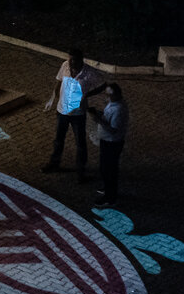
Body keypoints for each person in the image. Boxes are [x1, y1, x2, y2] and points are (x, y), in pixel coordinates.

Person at [43, 50, 107, 181]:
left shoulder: (89, 73)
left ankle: (80, 171)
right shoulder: (65, 65)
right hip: (62, 111)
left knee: (80, 143)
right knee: (58, 140)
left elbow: (103, 85)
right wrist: (55, 97)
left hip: (78, 114)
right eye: (70, 59)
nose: (71, 62)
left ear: (81, 59)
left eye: (75, 60)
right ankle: (54, 163)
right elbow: (59, 81)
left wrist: (87, 95)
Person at [88, 83, 128, 206]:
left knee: (109, 170)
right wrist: (100, 114)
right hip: (107, 141)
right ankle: (107, 188)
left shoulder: (118, 110)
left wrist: (99, 120)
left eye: (109, 94)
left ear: (115, 95)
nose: (106, 97)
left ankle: (110, 197)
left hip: (112, 143)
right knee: (105, 168)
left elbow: (113, 129)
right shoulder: (114, 104)